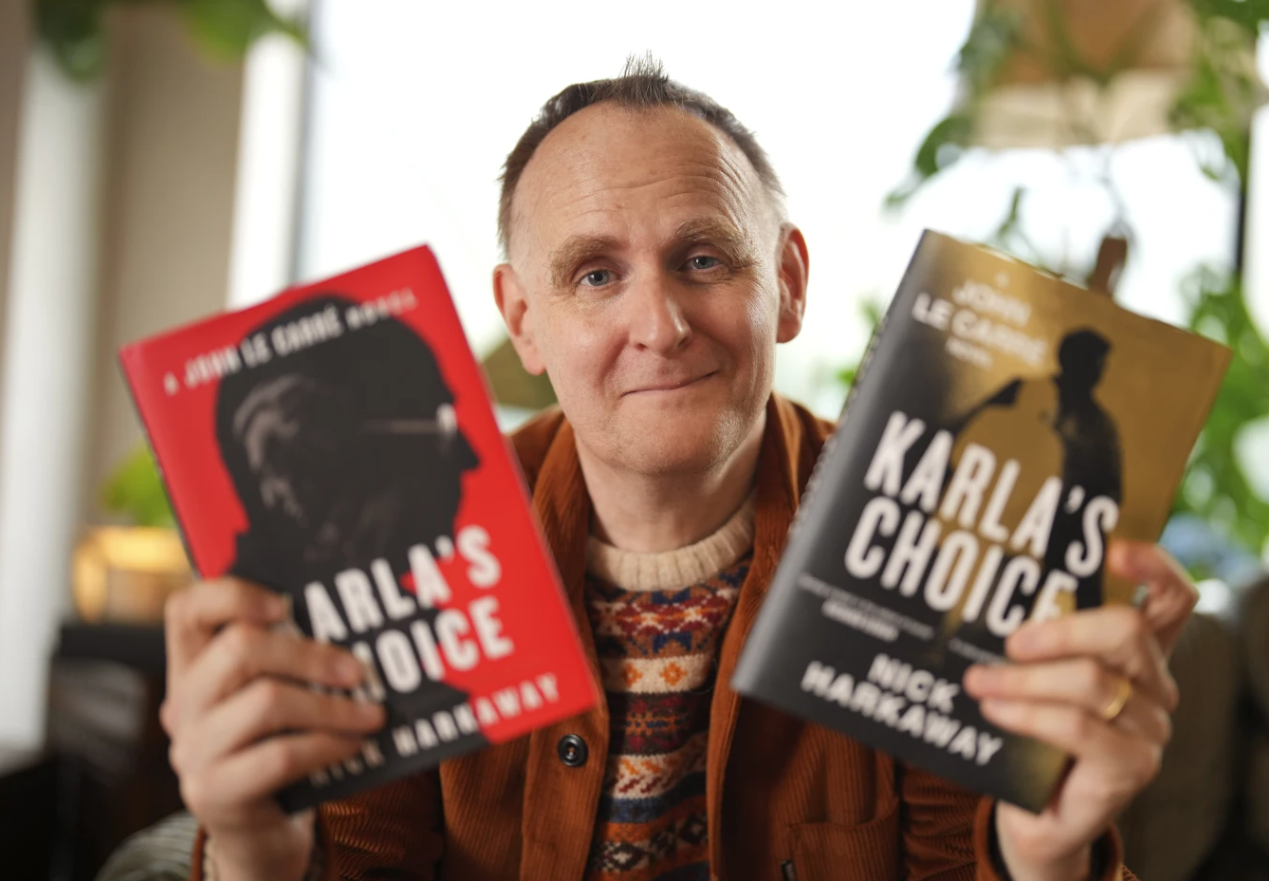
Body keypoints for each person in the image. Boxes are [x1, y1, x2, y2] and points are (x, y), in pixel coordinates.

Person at [162, 58, 1198, 881]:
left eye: (702, 258)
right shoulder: (394, 541)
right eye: (594, 273)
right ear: (522, 318)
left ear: (786, 284)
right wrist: (255, 855)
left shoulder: (931, 535)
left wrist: (1044, 861)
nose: (656, 325)